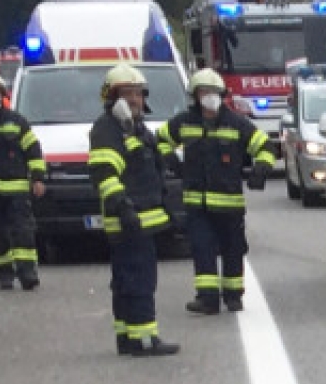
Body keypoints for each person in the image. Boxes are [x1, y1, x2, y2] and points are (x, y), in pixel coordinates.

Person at [160, 68, 273, 315]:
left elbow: (265, 146)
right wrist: (171, 161)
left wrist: (261, 168)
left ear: (222, 94)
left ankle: (233, 296)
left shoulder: (236, 124)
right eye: (204, 91)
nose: (209, 96)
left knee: (233, 248)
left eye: (214, 92)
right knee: (202, 248)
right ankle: (208, 299)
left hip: (229, 203)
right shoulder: (184, 123)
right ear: (195, 95)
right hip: (196, 204)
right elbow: (159, 140)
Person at [89, 64, 178, 357]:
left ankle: (127, 336)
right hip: (130, 221)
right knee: (139, 280)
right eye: (126, 94)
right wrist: (124, 210)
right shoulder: (107, 129)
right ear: (112, 98)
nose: (134, 100)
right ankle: (144, 339)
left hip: (143, 220)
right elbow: (105, 174)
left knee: (128, 279)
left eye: (138, 93)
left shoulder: (136, 128)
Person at [0, 69, 46, 291]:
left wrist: (37, 178)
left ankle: (28, 273)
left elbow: (33, 151)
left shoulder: (16, 121)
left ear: (1, 92)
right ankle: (5, 275)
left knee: (23, 231)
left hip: (17, 190)